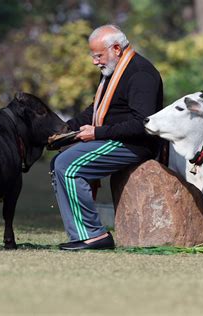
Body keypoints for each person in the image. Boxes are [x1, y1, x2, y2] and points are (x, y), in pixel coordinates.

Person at [50, 24, 163, 250]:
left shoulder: (140, 73)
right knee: (57, 162)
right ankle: (80, 233)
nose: (95, 61)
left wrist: (97, 133)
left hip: (135, 145)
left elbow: (143, 124)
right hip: (113, 139)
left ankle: (94, 235)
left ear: (117, 49)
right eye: (94, 56)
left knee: (68, 165)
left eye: (98, 55)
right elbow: (96, 108)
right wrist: (65, 129)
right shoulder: (113, 71)